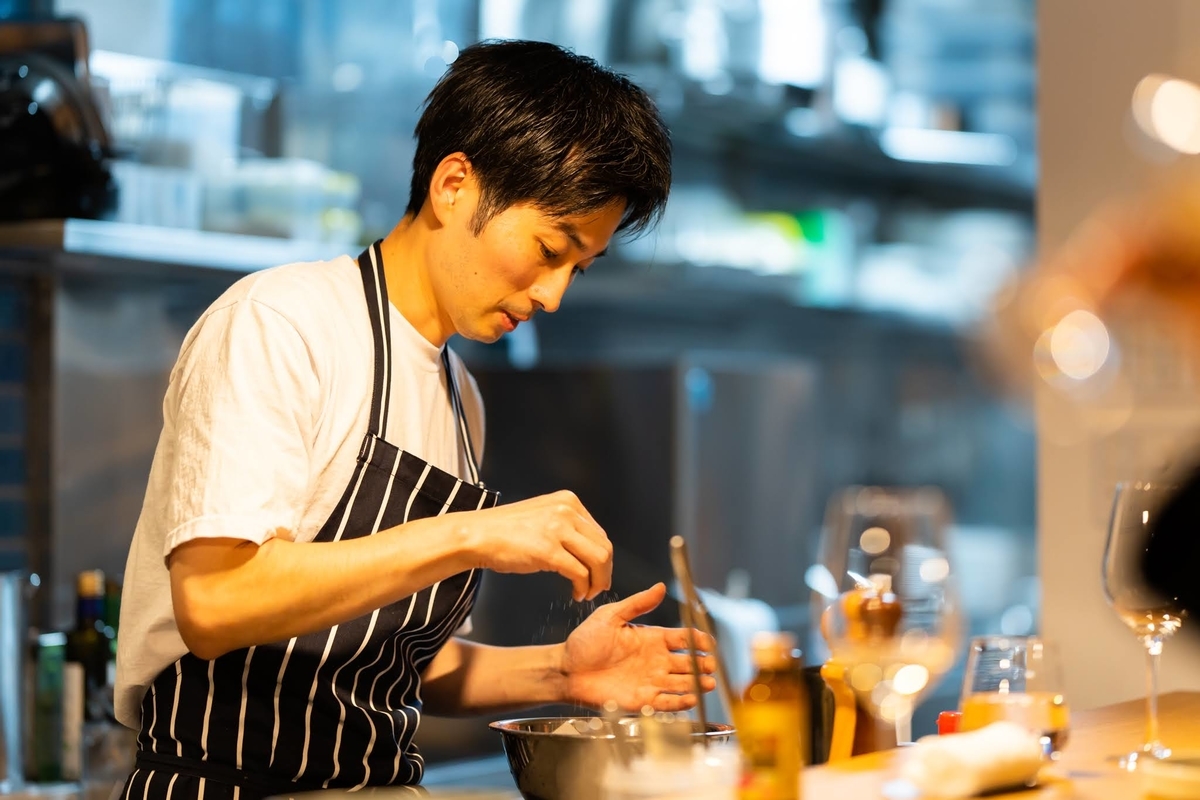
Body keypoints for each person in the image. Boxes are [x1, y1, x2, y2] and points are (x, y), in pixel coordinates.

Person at [115, 39, 716, 800]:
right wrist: (469, 533)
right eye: (548, 248)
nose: (553, 295)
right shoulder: (281, 323)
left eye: (578, 268)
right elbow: (214, 600)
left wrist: (562, 670)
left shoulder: (459, 393)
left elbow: (390, 662)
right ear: (455, 184)